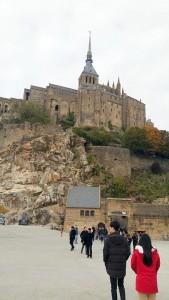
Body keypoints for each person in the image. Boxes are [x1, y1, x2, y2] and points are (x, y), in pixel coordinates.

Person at [103, 220, 130, 300]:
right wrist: (123, 260)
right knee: (121, 285)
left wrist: (107, 264)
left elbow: (105, 255)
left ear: (112, 228)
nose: (109, 229)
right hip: (121, 266)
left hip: (111, 266)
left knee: (113, 287)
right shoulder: (124, 239)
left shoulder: (107, 240)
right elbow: (128, 253)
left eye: (110, 227)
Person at [131, 233, 160, 300]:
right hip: (152, 281)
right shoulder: (155, 253)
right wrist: (153, 272)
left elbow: (133, 265)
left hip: (141, 281)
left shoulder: (136, 253)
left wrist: (138, 272)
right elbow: (157, 266)